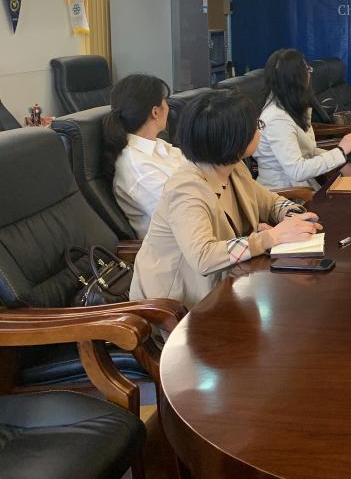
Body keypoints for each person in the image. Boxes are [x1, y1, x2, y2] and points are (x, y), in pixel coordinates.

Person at [129, 90, 322, 309]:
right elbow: (203, 257)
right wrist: (269, 238)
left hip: (229, 284)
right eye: (256, 126)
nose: (259, 130)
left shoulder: (233, 167)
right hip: (177, 305)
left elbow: (269, 202)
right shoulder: (186, 189)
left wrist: (294, 216)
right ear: (234, 140)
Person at [255, 49, 351, 190]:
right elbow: (297, 170)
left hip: (301, 187)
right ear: (296, 78)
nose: (310, 74)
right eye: (307, 70)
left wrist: (341, 162)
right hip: (286, 195)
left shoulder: (290, 107)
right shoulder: (277, 119)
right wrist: (340, 151)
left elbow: (308, 152)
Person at [103, 74, 185, 238]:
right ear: (155, 112)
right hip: (177, 247)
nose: (168, 107)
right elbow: (184, 213)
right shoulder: (137, 166)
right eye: (165, 101)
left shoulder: (158, 146)